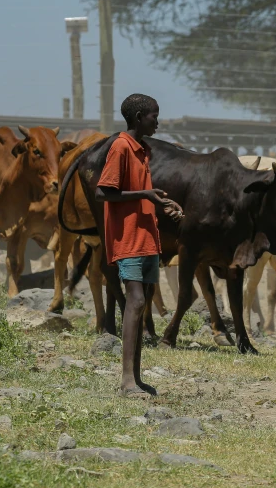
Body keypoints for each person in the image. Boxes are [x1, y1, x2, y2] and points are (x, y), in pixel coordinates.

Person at [95, 93, 183, 396]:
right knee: (135, 302)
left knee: (142, 303)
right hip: (128, 238)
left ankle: (137, 377)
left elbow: (138, 194)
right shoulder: (120, 147)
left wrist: (161, 203)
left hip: (147, 237)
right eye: (153, 116)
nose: (157, 121)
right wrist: (145, 196)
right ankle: (127, 381)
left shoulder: (142, 151)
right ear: (138, 117)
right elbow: (104, 193)